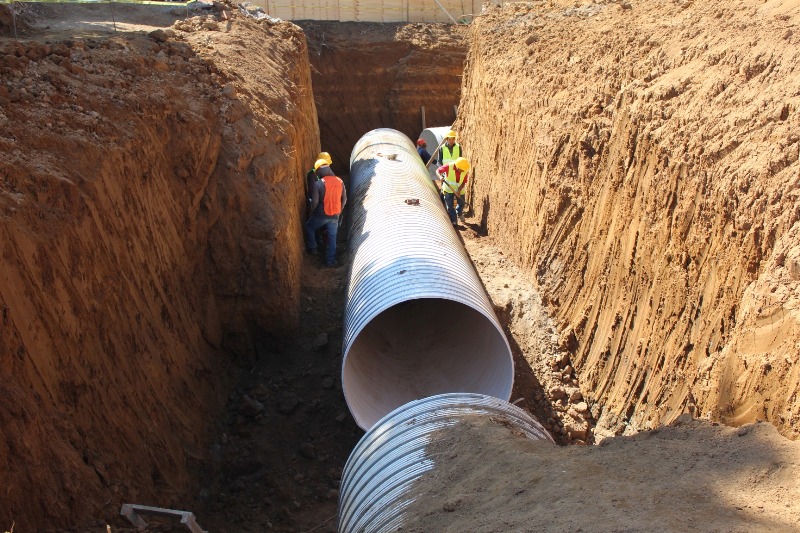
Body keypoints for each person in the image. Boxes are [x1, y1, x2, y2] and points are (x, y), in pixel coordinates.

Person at [305, 159, 347, 267]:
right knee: (332, 237)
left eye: (317, 171)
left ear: (319, 171)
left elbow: (314, 201)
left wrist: (312, 212)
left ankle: (313, 248)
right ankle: (330, 261)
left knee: (309, 227)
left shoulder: (318, 184)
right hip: (335, 215)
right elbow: (344, 199)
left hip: (321, 214)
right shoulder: (340, 181)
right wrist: (339, 210)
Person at [437, 157, 470, 226]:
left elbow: (464, 182)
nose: (462, 171)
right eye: (461, 170)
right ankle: (454, 220)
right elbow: (438, 171)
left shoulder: (464, 169)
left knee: (461, 204)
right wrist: (440, 177)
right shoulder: (449, 166)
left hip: (460, 190)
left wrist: (459, 190)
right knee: (450, 206)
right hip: (448, 190)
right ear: (457, 167)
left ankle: (459, 212)